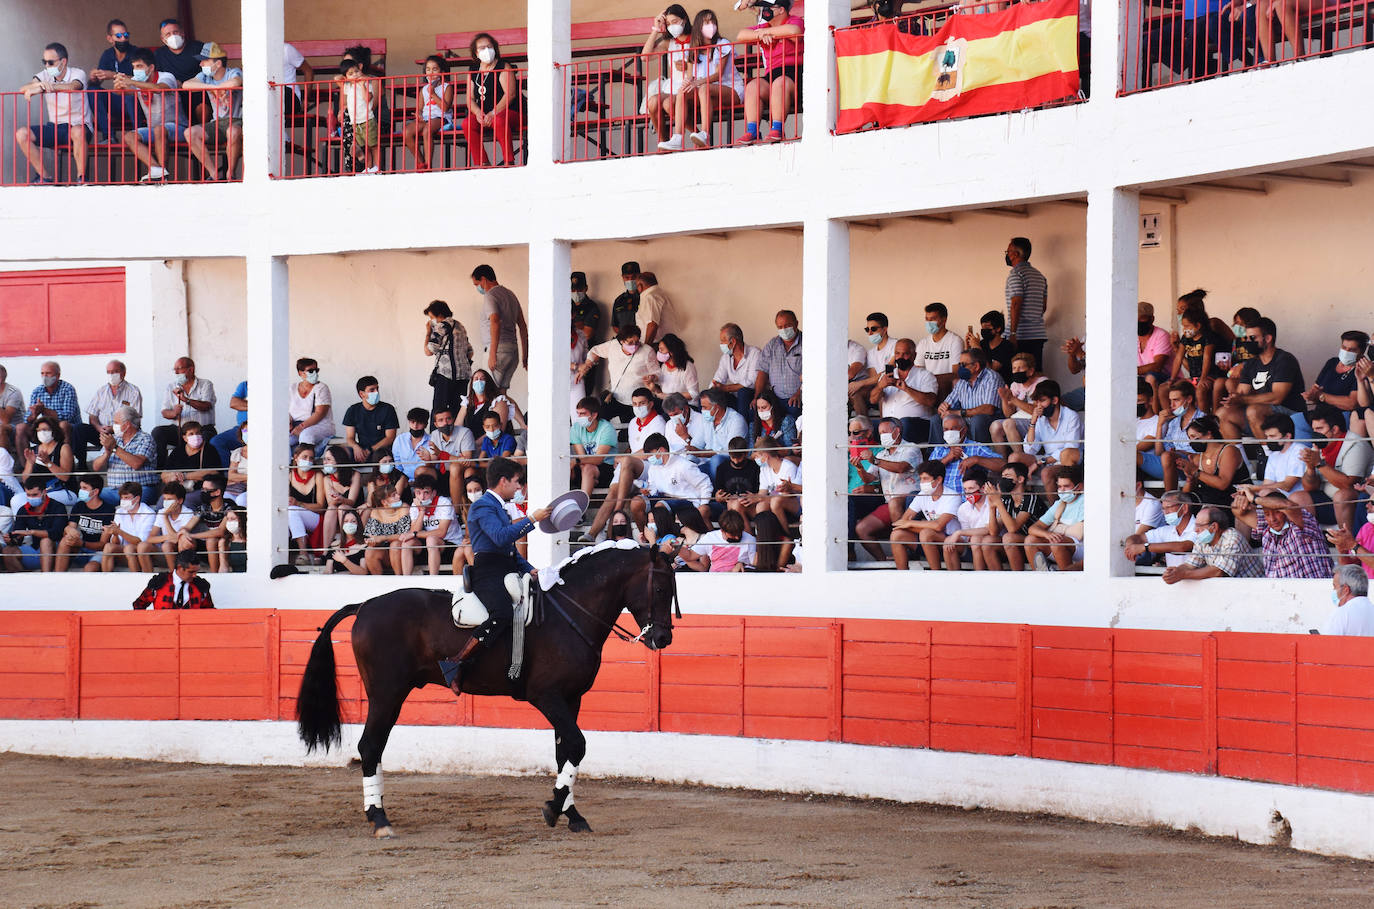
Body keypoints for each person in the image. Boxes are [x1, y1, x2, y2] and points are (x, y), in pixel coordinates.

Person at [439, 457, 554, 694]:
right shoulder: (483, 506)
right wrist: (532, 519)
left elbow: (509, 550)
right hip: (488, 571)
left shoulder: (497, 507)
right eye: (517, 481)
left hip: (505, 568)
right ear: (503, 481)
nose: (519, 487)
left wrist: (528, 568)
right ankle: (456, 661)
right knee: (501, 613)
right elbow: (501, 538)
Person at [659, 8, 745, 151]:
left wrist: (697, 82)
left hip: (731, 90)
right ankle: (677, 138)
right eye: (706, 23)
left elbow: (718, 75)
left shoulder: (722, 44)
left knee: (704, 88)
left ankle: (705, 134)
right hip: (707, 95)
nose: (711, 26)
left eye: (713, 22)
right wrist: (687, 83)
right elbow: (690, 76)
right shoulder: (693, 51)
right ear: (699, 27)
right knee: (682, 91)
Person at [1218, 317, 1308, 442]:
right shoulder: (1250, 363)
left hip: (1291, 414)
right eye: (1246, 338)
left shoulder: (1285, 360)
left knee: (1253, 410)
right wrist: (1232, 399)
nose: (1248, 342)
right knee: (1222, 413)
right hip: (1262, 414)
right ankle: (1237, 453)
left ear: (1268, 338)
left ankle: (1267, 451)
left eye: (1252, 338)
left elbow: (1277, 397)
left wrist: (1242, 399)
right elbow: (1241, 393)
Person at [14, 42, 92, 185]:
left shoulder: (77, 73)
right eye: (44, 62)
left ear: (63, 61)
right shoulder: (44, 75)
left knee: (78, 131)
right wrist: (39, 85)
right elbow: (23, 88)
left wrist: (48, 87)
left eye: (50, 62)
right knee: (21, 134)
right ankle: (44, 177)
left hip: (78, 126)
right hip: (55, 127)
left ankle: (82, 179)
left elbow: (73, 86)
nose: (47, 66)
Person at [733, 0, 803, 143]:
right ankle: (752, 131)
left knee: (779, 83)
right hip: (772, 74)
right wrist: (762, 33)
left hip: (795, 75)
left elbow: (794, 31)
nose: (765, 10)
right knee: (753, 86)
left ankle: (777, 129)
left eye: (769, 7)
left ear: (781, 10)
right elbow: (741, 35)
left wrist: (766, 32)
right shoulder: (764, 27)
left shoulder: (794, 20)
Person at [114, 48, 187, 183]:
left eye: (140, 66)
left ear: (151, 67)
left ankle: (162, 178)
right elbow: (121, 92)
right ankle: (156, 169)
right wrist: (118, 84)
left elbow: (159, 89)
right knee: (129, 136)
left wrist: (132, 82)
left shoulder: (166, 76)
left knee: (159, 129)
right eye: (134, 67)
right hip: (154, 129)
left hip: (179, 127)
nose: (136, 70)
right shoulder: (137, 81)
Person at [1297, 404, 1371, 532]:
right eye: (1314, 429)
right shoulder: (1318, 446)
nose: (1315, 434)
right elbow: (1310, 488)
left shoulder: (1356, 444)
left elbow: (1348, 484)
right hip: (1327, 499)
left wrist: (1319, 464)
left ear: (1335, 429)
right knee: (1297, 497)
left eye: (1319, 429)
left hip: (1354, 501)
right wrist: (1310, 468)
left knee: (1342, 496)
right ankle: (1311, 540)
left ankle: (1347, 541)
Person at [1231, 487, 1332, 580]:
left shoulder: (1303, 521)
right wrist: (1242, 499)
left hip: (1312, 588)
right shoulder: (1267, 529)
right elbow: (1237, 511)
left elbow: (1288, 505)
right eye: (1267, 514)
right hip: (1279, 590)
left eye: (1277, 512)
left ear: (1284, 512)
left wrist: (1255, 498)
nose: (1272, 519)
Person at [182, 42, 243, 180]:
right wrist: (213, 88)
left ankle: (230, 174)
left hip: (237, 121)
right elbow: (186, 85)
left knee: (232, 131)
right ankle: (214, 173)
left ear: (218, 63)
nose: (201, 64)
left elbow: (235, 82)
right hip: (217, 123)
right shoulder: (205, 77)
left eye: (205, 60)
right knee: (190, 132)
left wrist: (220, 88)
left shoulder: (233, 72)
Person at [632, 433, 715, 533]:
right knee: (636, 502)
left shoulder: (683, 465)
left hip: (686, 500)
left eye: (650, 455)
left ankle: (664, 538)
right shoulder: (653, 468)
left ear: (661, 450)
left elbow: (705, 483)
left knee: (660, 506)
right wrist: (648, 491)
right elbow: (653, 488)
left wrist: (703, 505)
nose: (649, 458)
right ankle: (644, 536)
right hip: (664, 498)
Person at [577, 324, 660, 423]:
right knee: (600, 419)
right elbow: (594, 351)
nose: (634, 345)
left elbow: (658, 373)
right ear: (621, 341)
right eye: (630, 343)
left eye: (637, 342)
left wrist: (652, 377)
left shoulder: (647, 351)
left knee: (630, 428)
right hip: (615, 396)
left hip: (636, 402)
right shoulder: (613, 346)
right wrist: (587, 365)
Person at [1009, 380, 1083, 491]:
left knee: (1046, 472)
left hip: (1067, 461)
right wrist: (1033, 422)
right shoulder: (1041, 419)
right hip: (1047, 460)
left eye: (1042, 401)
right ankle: (1020, 498)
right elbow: (1029, 450)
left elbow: (1070, 448)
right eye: (1037, 402)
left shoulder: (1071, 416)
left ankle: (1056, 502)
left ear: (1054, 400)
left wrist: (1041, 462)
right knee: (1014, 457)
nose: (1039, 406)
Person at [889, 460, 962, 571]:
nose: (922, 483)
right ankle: (902, 575)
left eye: (925, 479)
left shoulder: (952, 496)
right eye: (921, 479)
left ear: (939, 479)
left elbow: (939, 526)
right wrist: (911, 524)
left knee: (926, 533)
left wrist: (910, 523)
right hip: (930, 540)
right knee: (897, 534)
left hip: (954, 541)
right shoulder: (922, 495)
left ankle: (935, 573)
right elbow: (902, 522)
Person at [464, 34, 520, 168]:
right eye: (482, 48)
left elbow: (510, 94)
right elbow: (469, 99)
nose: (487, 50)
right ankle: (483, 162)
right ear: (476, 53)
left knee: (498, 120)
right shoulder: (473, 70)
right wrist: (478, 113)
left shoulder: (503, 66)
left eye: (489, 47)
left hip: (510, 112)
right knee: (467, 124)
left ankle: (509, 162)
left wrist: (493, 113)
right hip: (484, 114)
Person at [1162, 506, 1259, 582]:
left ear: (1214, 527)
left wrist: (1183, 575)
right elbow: (1190, 565)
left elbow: (1218, 571)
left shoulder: (1232, 537)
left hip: (1254, 587)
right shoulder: (1202, 539)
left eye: (1199, 526)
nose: (1195, 530)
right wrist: (1176, 571)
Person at [643, 5, 695, 146]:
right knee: (652, 102)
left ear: (684, 20)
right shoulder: (668, 43)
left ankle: (695, 133)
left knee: (667, 103)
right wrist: (656, 29)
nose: (672, 26)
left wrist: (689, 65)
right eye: (668, 24)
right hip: (673, 87)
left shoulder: (697, 39)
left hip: (692, 87)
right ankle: (663, 142)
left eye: (675, 22)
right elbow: (644, 57)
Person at [980, 462, 1047, 572]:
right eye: (1002, 477)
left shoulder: (1030, 498)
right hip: (1017, 544)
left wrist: (998, 502)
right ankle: (997, 579)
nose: (1003, 480)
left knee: (1009, 538)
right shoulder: (1007, 499)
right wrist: (992, 507)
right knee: (987, 541)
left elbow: (1013, 528)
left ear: (1020, 479)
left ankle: (1016, 577)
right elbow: (993, 532)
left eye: (1007, 476)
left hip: (1036, 543)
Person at [869, 337, 936, 446]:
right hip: (890, 425)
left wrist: (907, 389)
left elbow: (930, 401)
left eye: (905, 354)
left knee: (904, 423)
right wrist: (880, 386)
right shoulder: (886, 375)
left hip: (917, 425)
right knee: (867, 426)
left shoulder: (925, 375)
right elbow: (872, 400)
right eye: (897, 353)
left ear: (914, 355)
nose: (900, 357)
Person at [1176, 414, 1252, 510]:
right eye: (1189, 438)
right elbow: (1186, 494)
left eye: (1194, 436)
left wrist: (1195, 471)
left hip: (1233, 498)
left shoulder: (1229, 451)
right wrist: (1190, 478)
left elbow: (1223, 484)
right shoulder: (1197, 458)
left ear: (1208, 434)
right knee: (1178, 502)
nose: (1191, 442)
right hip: (1210, 501)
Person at [472, 265, 527, 388]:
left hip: (498, 350)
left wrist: (492, 353)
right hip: (512, 350)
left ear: (483, 279)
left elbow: (495, 321)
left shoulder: (490, 295)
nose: (478, 288)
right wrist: (525, 354)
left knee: (488, 392)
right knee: (501, 393)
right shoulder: (511, 295)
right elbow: (522, 326)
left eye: (477, 284)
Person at [153, 357, 217, 465]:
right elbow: (164, 412)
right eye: (175, 370)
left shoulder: (205, 384)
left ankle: (204, 470)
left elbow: (206, 406)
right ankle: (161, 470)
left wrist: (186, 400)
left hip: (202, 428)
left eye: (179, 369)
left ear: (190, 369)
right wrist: (174, 413)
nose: (176, 373)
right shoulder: (171, 386)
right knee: (158, 432)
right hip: (179, 429)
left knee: (208, 437)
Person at [91, 406, 159, 505]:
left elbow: (136, 463)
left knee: (130, 504)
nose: (113, 426)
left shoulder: (146, 439)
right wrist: (107, 453)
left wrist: (114, 448)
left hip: (139, 489)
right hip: (113, 491)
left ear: (127, 424)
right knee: (88, 499)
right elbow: (96, 467)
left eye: (116, 423)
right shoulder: (114, 439)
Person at [936, 349, 1006, 444]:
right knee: (936, 419)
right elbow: (948, 403)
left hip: (988, 419)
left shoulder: (992, 378)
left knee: (978, 420)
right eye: (959, 364)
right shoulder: (962, 381)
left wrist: (959, 413)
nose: (960, 368)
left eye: (963, 365)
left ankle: (978, 451)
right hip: (966, 419)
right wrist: (943, 408)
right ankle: (938, 452)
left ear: (976, 366)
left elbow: (989, 409)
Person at [2, 476, 68, 571]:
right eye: (28, 495)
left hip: (57, 553)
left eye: (34, 495)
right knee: (7, 551)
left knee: (46, 541)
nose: (31, 498)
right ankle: (23, 579)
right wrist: (11, 539)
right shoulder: (23, 510)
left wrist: (31, 532)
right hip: (35, 550)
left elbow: (56, 533)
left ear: (44, 492)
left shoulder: (58, 507)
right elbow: (18, 537)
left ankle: (46, 577)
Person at [1026, 466, 1085, 572]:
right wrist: (1047, 534)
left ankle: (1065, 577)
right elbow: (1033, 528)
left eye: (1066, 486)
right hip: (1060, 544)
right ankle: (1041, 576)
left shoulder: (1085, 501)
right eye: (1059, 486)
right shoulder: (1059, 504)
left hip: (1082, 547)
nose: (1062, 490)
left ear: (1079, 487)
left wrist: (1055, 535)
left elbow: (1080, 534)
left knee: (1057, 542)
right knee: (1030, 540)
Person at [89, 19, 139, 140]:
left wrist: (113, 75)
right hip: (117, 102)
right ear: (110, 39)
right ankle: (109, 137)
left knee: (129, 95)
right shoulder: (108, 54)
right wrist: (94, 77)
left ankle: (139, 135)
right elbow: (97, 82)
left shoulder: (136, 53)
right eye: (118, 36)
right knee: (92, 91)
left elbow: (143, 80)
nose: (123, 39)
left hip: (137, 101)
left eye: (126, 35)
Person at [82, 360, 143, 457]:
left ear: (123, 373)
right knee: (79, 429)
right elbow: (92, 416)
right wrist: (99, 428)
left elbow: (135, 419)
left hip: (123, 433)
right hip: (102, 433)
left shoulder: (133, 391)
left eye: (115, 372)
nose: (111, 375)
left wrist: (113, 428)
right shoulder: (101, 391)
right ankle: (81, 464)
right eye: (109, 372)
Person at [928, 415, 1004, 492]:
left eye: (953, 429)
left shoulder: (976, 447)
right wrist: (947, 458)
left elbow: (1002, 465)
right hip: (942, 497)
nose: (949, 432)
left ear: (964, 430)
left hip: (967, 497)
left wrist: (977, 459)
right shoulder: (939, 450)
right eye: (946, 429)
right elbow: (927, 472)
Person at [404, 55, 454, 171]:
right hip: (426, 118)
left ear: (442, 72)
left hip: (440, 117)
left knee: (427, 130)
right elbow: (420, 108)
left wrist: (433, 94)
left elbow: (445, 108)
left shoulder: (447, 87)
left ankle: (428, 165)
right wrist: (419, 115)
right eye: (428, 69)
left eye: (435, 69)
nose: (431, 73)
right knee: (407, 132)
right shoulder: (423, 90)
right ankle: (421, 163)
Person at [55, 474, 115, 572]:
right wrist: (69, 530)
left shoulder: (108, 510)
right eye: (80, 488)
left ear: (95, 491)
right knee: (65, 540)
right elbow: (70, 527)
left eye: (85, 488)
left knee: (90, 568)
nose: (81, 491)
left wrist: (82, 543)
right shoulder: (79, 506)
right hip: (81, 547)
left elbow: (103, 544)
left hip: (99, 551)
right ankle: (58, 576)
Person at [1123, 491, 1198, 569]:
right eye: (1163, 509)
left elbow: (1183, 547)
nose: (1165, 512)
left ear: (1184, 508)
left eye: (1169, 507)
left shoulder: (1199, 527)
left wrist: (1145, 547)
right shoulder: (1166, 530)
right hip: (1173, 575)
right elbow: (1138, 537)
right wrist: (1130, 545)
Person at [1004, 237, 1048, 368]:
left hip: (1021, 336)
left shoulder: (1016, 274)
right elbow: (1043, 307)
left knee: (1019, 374)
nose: (1007, 254)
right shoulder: (1040, 276)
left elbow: (1016, 304)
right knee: (1035, 373)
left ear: (1015, 254)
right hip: (1038, 335)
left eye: (1008, 251)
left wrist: (1013, 333)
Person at [20, 361, 80, 455]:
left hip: (68, 430)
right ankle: (26, 462)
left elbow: (68, 417)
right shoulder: (37, 391)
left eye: (48, 373)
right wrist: (34, 415)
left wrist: (44, 410)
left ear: (58, 375)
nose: (45, 377)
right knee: (21, 427)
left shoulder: (68, 389)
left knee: (63, 425)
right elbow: (27, 419)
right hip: (45, 429)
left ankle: (64, 460)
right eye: (42, 373)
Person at [138, 481, 199, 573]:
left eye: (169, 499)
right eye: (165, 499)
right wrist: (166, 537)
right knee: (142, 546)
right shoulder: (162, 512)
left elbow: (176, 540)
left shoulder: (188, 513)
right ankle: (146, 576)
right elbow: (150, 538)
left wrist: (165, 517)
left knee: (167, 545)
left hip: (180, 553)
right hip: (164, 551)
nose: (166, 502)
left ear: (180, 500)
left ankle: (174, 575)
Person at [690, 389, 750, 482]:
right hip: (707, 463)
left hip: (730, 464)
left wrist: (705, 453)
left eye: (705, 407)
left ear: (716, 407)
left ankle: (718, 489)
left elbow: (730, 452)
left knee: (716, 460)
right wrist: (690, 459)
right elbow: (696, 444)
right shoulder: (707, 420)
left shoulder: (736, 420)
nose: (702, 410)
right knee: (688, 466)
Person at [342, 376, 400, 472]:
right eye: (372, 390)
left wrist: (370, 450)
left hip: (382, 449)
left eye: (377, 389)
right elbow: (350, 438)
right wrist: (356, 447)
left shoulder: (388, 409)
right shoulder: (352, 410)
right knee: (340, 455)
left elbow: (390, 438)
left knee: (383, 457)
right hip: (361, 450)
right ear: (361, 394)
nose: (376, 392)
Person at [941, 471, 996, 571]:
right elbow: (967, 536)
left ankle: (978, 576)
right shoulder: (963, 508)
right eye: (965, 489)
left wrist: (959, 533)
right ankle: (953, 577)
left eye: (971, 488)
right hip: (973, 547)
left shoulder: (993, 502)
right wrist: (961, 535)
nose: (967, 492)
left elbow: (989, 530)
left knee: (975, 539)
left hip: (994, 546)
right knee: (948, 542)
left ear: (983, 488)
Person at [991, 351, 1047, 450]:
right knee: (995, 426)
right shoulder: (1015, 385)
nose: (1016, 371)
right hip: (1017, 420)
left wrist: (1012, 398)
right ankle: (1001, 458)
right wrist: (1004, 399)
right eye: (1014, 368)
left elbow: (1037, 411)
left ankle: (1019, 456)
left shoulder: (1042, 383)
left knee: (1008, 423)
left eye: (1020, 368)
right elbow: (1008, 414)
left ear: (1030, 371)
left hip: (1036, 422)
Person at [410, 475, 464, 576]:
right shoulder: (415, 505)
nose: (422, 497)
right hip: (430, 546)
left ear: (434, 493)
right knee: (407, 543)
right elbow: (414, 531)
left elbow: (441, 532)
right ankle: (405, 579)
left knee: (431, 539)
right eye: (418, 493)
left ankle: (433, 579)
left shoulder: (444, 503)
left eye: (426, 492)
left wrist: (415, 534)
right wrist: (422, 511)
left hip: (451, 544)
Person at [1304, 330, 1366, 414]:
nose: (1346, 352)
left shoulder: (1362, 370)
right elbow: (1315, 390)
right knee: (1295, 418)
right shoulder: (1332, 362)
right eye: (1344, 347)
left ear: (1361, 352)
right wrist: (1310, 395)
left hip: (1343, 416)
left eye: (1352, 350)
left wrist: (1321, 396)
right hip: (1320, 413)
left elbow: (1351, 403)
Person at [755, 310, 803, 418]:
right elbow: (762, 372)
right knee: (756, 410)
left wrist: (799, 393)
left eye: (787, 325)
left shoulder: (807, 343)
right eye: (780, 327)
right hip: (775, 398)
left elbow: (812, 373)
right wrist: (757, 398)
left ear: (796, 324)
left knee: (794, 408)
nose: (784, 330)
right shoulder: (772, 345)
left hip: (797, 398)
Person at [100, 481, 157, 572]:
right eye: (122, 498)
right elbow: (116, 543)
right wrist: (115, 534)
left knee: (129, 548)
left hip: (145, 551)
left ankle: (136, 577)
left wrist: (120, 532)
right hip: (125, 550)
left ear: (137, 498)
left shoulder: (148, 513)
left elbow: (140, 541)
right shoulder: (119, 511)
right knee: (108, 547)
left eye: (126, 498)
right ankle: (106, 578)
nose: (123, 501)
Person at [20, 416, 76, 505]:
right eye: (39, 430)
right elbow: (25, 479)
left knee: (43, 499)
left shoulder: (63, 448)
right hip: (38, 491)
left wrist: (48, 463)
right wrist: (30, 463)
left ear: (54, 431)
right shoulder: (34, 450)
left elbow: (65, 477)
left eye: (45, 430)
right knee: (16, 500)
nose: (42, 432)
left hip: (62, 490)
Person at [571, 397, 619, 500]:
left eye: (583, 414)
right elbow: (581, 456)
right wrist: (578, 462)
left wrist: (577, 461)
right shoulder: (576, 428)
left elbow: (598, 459)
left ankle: (582, 505)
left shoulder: (607, 429)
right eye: (578, 413)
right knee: (567, 468)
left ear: (594, 415)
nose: (579, 417)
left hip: (607, 468)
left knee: (588, 468)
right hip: (585, 466)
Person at [132, 550, 215, 609]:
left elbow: (209, 612)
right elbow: (139, 605)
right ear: (180, 568)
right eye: (191, 572)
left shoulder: (201, 586)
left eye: (196, 571)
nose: (194, 575)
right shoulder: (159, 582)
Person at [338, 56, 379, 174]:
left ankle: (378, 167)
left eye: (356, 71)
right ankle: (368, 168)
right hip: (355, 122)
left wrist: (362, 85)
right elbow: (337, 79)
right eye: (351, 74)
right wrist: (344, 79)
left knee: (373, 145)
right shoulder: (348, 86)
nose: (355, 75)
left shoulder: (366, 84)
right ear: (346, 77)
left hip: (367, 119)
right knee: (365, 147)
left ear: (361, 70)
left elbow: (367, 98)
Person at [428, 407, 477, 505]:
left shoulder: (465, 432)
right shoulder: (434, 434)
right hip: (442, 471)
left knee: (454, 467)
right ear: (436, 424)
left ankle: (456, 510)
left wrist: (441, 454)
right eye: (441, 420)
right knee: (420, 470)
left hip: (460, 471)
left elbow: (466, 460)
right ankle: (426, 508)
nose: (445, 423)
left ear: (453, 419)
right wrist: (427, 459)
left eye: (448, 419)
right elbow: (433, 461)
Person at [363, 483, 416, 576]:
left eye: (397, 493)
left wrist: (383, 538)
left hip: (404, 552)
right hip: (385, 554)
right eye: (394, 495)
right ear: (384, 502)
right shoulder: (376, 512)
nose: (398, 496)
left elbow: (404, 535)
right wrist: (372, 541)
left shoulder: (404, 508)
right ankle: (378, 581)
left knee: (395, 545)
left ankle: (398, 578)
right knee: (369, 551)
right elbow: (372, 536)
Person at [160, 421, 223, 497]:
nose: (195, 436)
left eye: (197, 433)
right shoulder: (177, 451)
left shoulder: (209, 450)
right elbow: (164, 474)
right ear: (184, 438)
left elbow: (214, 472)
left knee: (187, 501)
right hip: (177, 490)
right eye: (191, 434)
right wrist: (173, 476)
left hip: (199, 490)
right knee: (162, 501)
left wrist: (185, 476)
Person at [680, 509, 756, 572]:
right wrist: (676, 546)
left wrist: (742, 565)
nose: (736, 537)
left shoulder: (750, 539)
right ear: (722, 531)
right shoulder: (710, 537)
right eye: (733, 534)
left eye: (739, 533)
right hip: (714, 579)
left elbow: (755, 565)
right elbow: (690, 555)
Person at [713, 323, 763, 416]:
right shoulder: (725, 357)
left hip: (751, 396)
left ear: (733, 341)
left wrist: (725, 388)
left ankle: (742, 424)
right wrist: (713, 388)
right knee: (707, 396)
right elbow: (718, 379)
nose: (721, 344)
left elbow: (751, 383)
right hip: (735, 397)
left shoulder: (755, 353)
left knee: (743, 392)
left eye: (723, 341)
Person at [915, 302, 963, 396]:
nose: (929, 323)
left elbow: (956, 374)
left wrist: (930, 379)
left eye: (933, 319)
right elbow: (918, 372)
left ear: (944, 320)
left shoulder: (955, 341)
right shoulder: (923, 343)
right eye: (927, 319)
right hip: (928, 392)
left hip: (949, 392)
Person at [287, 445, 326, 564]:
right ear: (296, 457)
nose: (308, 461)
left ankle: (303, 553)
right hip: (293, 516)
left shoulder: (318, 476)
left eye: (311, 458)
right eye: (304, 457)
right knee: (288, 511)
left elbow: (321, 506)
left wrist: (299, 503)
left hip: (315, 517)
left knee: (292, 510)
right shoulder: (288, 475)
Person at [288, 357, 335, 451]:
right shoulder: (292, 388)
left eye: (316, 370)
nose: (315, 373)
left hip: (319, 425)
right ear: (300, 373)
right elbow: (285, 409)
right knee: (283, 440)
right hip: (296, 425)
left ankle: (307, 460)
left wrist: (301, 427)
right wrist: (288, 421)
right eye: (310, 371)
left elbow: (320, 413)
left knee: (306, 436)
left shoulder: (321, 388)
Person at [192, 474, 234, 573]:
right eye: (202, 489)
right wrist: (184, 532)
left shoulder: (229, 507)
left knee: (211, 540)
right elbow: (188, 526)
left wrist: (192, 535)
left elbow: (220, 531)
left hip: (225, 547)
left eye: (206, 490)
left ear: (217, 492)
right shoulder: (203, 507)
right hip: (205, 550)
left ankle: (214, 575)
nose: (203, 492)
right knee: (184, 539)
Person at [964, 311, 1018, 384]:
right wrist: (967, 348)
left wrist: (977, 348)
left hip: (999, 384)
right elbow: (967, 367)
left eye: (987, 327)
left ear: (998, 328)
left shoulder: (1007, 346)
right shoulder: (982, 344)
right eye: (982, 327)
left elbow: (990, 371)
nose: (983, 330)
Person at [1322, 564, 1374, 636]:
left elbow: (1326, 641)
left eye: (1335, 586)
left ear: (1346, 590)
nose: (1334, 590)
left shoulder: (1341, 614)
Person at [645, 333, 699, 401]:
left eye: (662, 349)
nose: (659, 352)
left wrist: (669, 396)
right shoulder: (664, 366)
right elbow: (663, 393)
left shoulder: (687, 367)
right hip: (669, 404)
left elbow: (694, 394)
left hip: (685, 405)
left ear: (672, 352)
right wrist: (654, 389)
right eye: (659, 349)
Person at [1136, 301, 1173, 398]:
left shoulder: (1161, 335)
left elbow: (1157, 366)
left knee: (1151, 378)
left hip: (1166, 378)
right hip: (1141, 377)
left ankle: (1154, 408)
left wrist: (1132, 371)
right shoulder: (1132, 336)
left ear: (1152, 319)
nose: (1137, 322)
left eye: (1141, 319)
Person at [210, 380, 247, 467]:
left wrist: (243, 404)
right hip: (242, 429)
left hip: (263, 430)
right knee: (217, 441)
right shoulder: (245, 385)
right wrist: (259, 405)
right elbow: (234, 403)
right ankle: (228, 473)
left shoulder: (273, 385)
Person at [154, 19, 205, 84]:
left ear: (182, 33)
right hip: (172, 89)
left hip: (197, 88)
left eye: (175, 32)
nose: (173, 36)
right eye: (168, 34)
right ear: (162, 39)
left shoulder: (198, 47)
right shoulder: (159, 54)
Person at [750, 388, 798, 454]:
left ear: (773, 407)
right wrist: (757, 447)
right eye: (758, 408)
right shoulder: (753, 426)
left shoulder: (786, 421)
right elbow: (750, 455)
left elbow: (791, 451)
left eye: (764, 407)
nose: (760, 411)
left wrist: (774, 445)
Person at [391, 407, 434, 481]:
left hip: (425, 480)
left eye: (419, 423)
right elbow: (398, 466)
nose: (415, 426)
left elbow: (435, 467)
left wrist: (428, 460)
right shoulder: (400, 439)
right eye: (412, 422)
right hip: (404, 481)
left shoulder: (432, 440)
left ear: (426, 424)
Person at [633, 272, 674, 347]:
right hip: (666, 343)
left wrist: (646, 348)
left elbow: (652, 325)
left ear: (640, 286)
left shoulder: (650, 297)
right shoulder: (660, 293)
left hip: (656, 344)